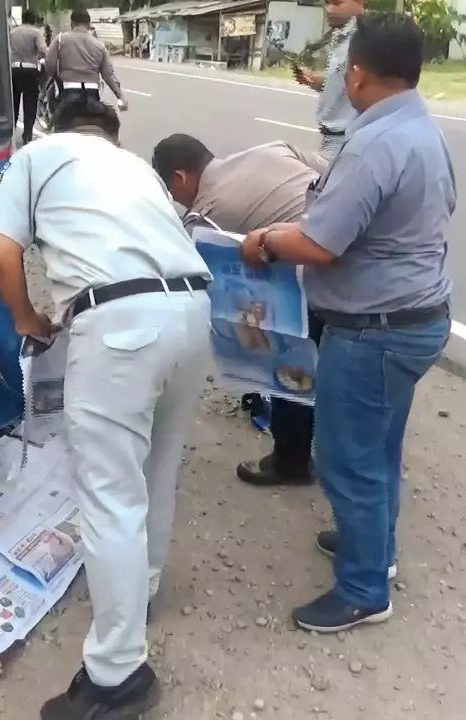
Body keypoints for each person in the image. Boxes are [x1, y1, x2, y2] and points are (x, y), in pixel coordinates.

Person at [0, 97, 212, 718]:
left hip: (120, 325)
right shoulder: (135, 166)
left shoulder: (34, 156)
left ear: (55, 128)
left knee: (109, 497)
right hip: (192, 312)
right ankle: (143, 592)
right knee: (157, 472)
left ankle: (117, 678)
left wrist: (30, 320)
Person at [239, 12, 453, 633]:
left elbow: (322, 243)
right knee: (379, 448)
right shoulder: (422, 129)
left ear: (357, 74)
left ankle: (363, 590)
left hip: (375, 331)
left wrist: (267, 242)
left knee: (347, 458)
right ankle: (375, 556)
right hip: (417, 320)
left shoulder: (374, 141)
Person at [151, 135, 329, 487]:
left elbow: (187, 281)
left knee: (287, 359)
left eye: (174, 193)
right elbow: (333, 175)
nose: (178, 202)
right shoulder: (273, 148)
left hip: (322, 278)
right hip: (358, 259)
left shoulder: (205, 213)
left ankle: (291, 462)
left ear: (181, 178)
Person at [295, 0, 366, 158]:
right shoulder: (340, 35)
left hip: (346, 139)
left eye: (336, 3)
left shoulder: (365, 38)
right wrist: (314, 80)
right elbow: (340, 82)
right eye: (327, 3)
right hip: (332, 138)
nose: (329, 9)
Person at [45, 7, 127, 109]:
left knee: (59, 122)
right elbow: (108, 75)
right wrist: (120, 96)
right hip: (92, 94)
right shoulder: (99, 45)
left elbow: (49, 64)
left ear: (72, 23)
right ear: (88, 24)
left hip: (68, 91)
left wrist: (54, 78)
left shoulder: (60, 40)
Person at [10, 9, 47, 144]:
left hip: (13, 70)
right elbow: (43, 50)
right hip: (30, 71)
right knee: (29, 105)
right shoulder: (36, 32)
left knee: (13, 104)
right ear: (34, 20)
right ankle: (27, 136)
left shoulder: (13, 32)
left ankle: (11, 135)